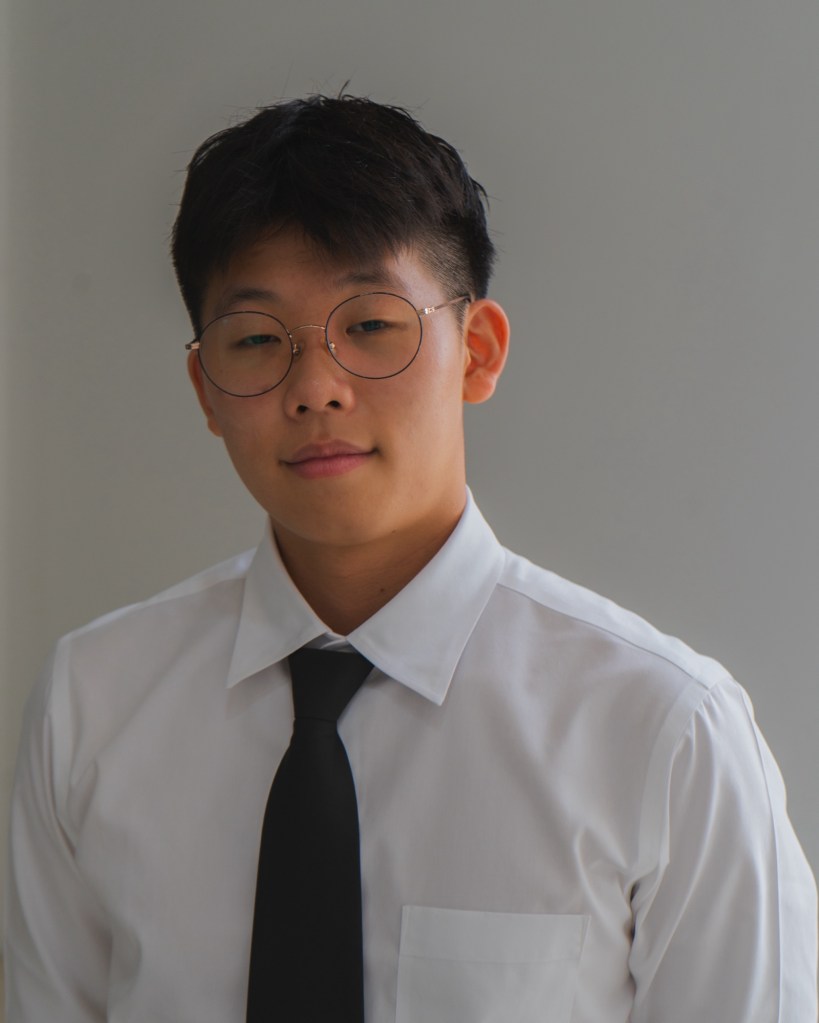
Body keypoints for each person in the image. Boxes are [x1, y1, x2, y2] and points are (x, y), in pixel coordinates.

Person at [4, 94, 816, 1022]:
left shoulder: (662, 730)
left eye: (371, 326)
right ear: (205, 387)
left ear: (477, 351)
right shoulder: (92, 704)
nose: (315, 388)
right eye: (257, 339)